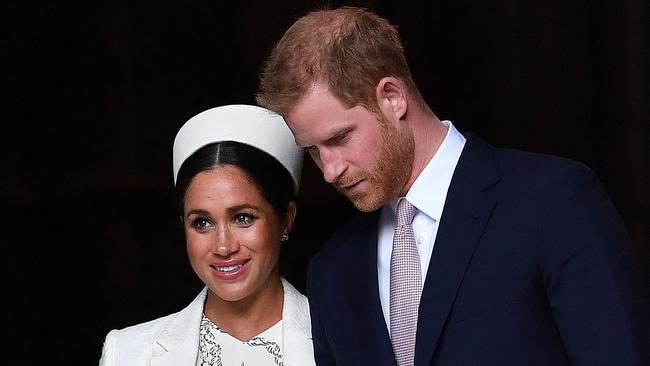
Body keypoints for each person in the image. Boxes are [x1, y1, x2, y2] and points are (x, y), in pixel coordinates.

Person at [256, 7, 649, 366]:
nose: (328, 170)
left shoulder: (553, 202)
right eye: (312, 151)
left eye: (340, 137)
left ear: (392, 97)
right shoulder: (331, 272)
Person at [99, 105, 315, 365]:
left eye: (242, 218)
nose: (223, 246)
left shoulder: (344, 342)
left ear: (285, 220)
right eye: (202, 222)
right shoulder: (128, 353)